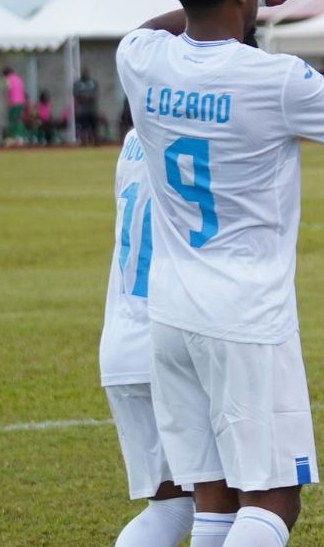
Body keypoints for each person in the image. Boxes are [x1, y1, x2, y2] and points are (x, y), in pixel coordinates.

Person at [116, 0, 324, 547]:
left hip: (170, 313)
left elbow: (155, 26)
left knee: (213, 501)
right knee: (273, 502)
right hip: (246, 316)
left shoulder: (138, 59)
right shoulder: (276, 79)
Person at [100, 128, 196, 547]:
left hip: (121, 340)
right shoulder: (204, 123)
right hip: (177, 338)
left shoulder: (132, 137)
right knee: (227, 504)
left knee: (170, 508)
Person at [74, 69, 101, 146]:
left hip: (92, 109)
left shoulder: (93, 83)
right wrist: (84, 97)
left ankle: (96, 143)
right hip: (82, 111)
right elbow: (76, 94)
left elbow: (96, 93)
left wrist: (88, 97)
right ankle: (84, 143)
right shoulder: (78, 84)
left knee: (95, 127)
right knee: (82, 128)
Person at [2, 67, 26, 141]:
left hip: (13, 102)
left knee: (12, 120)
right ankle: (20, 136)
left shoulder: (7, 79)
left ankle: (12, 137)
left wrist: (7, 103)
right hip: (21, 102)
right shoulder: (19, 79)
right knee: (19, 120)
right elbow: (22, 90)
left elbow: (7, 91)